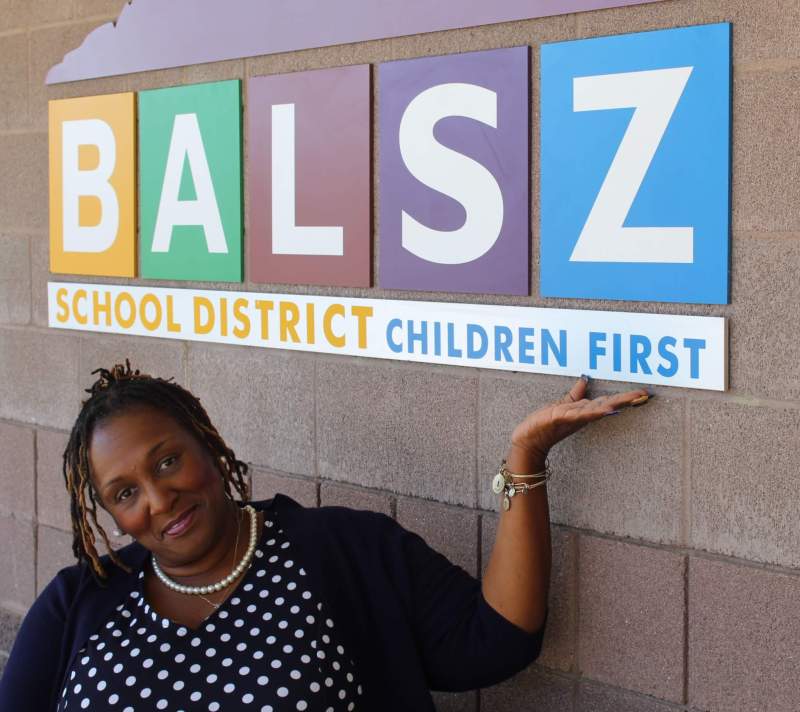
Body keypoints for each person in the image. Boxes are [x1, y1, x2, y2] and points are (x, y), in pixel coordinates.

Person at [0, 361, 648, 711]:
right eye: (125, 493)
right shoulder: (77, 604)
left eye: (167, 461)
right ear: (112, 516)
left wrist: (526, 460)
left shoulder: (341, 551)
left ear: (208, 445)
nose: (157, 498)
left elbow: (496, 641)